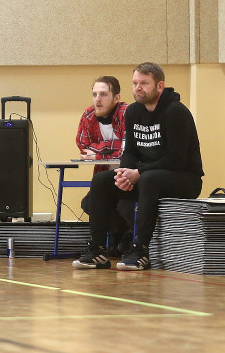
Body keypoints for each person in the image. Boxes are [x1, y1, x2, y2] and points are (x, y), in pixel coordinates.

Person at [73, 62, 204, 271]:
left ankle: (141, 250)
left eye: (144, 83)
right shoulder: (133, 111)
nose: (138, 88)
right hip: (148, 176)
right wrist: (124, 173)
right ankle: (97, 249)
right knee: (101, 181)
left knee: (148, 179)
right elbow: (131, 151)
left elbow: (176, 159)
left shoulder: (176, 112)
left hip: (184, 178)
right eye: (135, 83)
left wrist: (138, 172)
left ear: (159, 86)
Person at [76, 75, 134, 254]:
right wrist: (111, 148)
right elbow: (83, 146)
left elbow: (127, 149)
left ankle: (127, 237)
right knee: (88, 203)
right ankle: (121, 234)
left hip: (128, 178)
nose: (97, 99)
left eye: (103, 94)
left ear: (116, 98)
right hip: (104, 178)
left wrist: (99, 152)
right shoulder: (89, 114)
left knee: (125, 207)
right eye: (94, 94)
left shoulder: (127, 113)